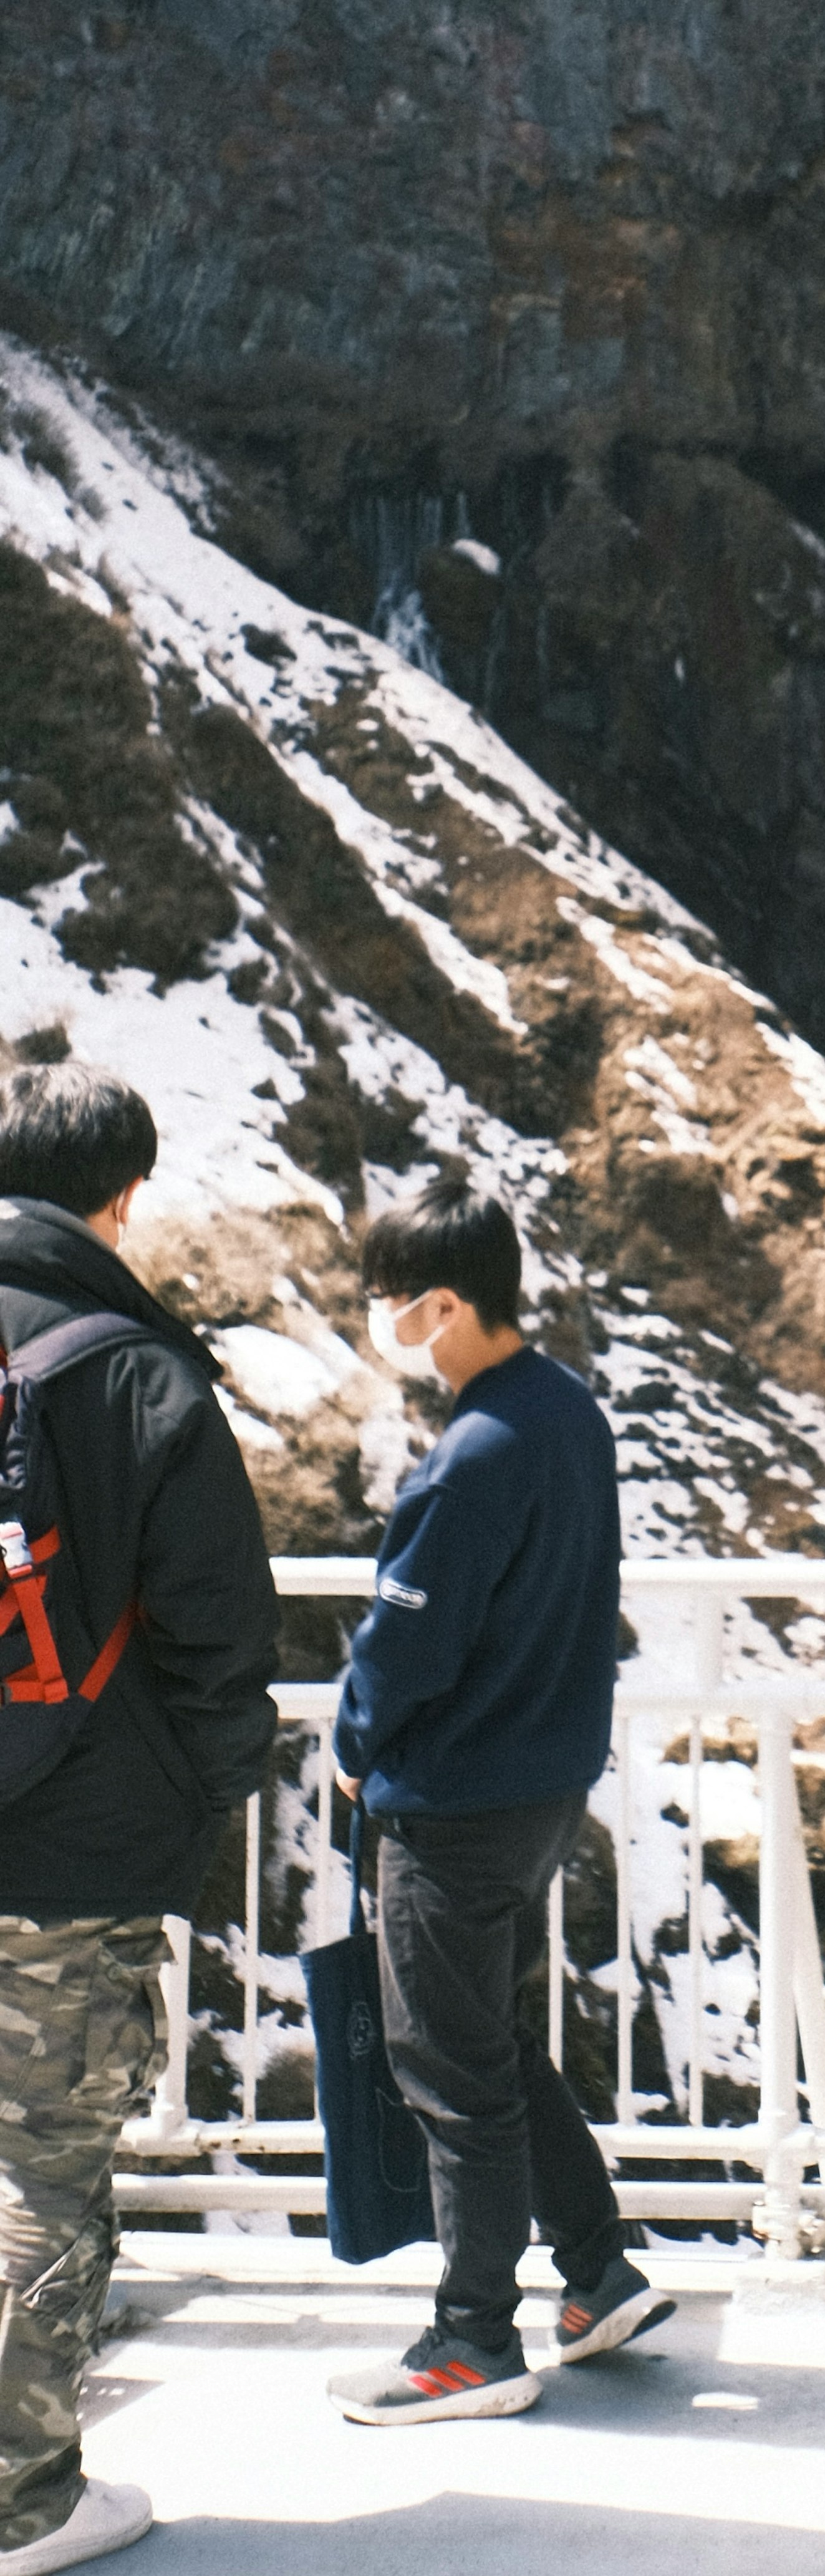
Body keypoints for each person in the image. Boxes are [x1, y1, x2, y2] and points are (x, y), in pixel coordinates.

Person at [324, 1175, 670, 2425]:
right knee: (496, 2042)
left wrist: (358, 1745)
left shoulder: (470, 1457)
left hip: (454, 1798)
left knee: (448, 2065)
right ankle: (597, 2273)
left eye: (392, 1302)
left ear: (446, 1305)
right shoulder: (566, 1413)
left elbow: (406, 1646)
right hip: (542, 1786)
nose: (381, 1321)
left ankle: (472, 2341)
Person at [0, 1062, 280, 2572]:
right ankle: (19, 2503)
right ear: (120, 1196)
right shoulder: (137, 1372)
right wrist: (201, 1784)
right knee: (40, 2168)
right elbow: (224, 1629)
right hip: (72, 1849)